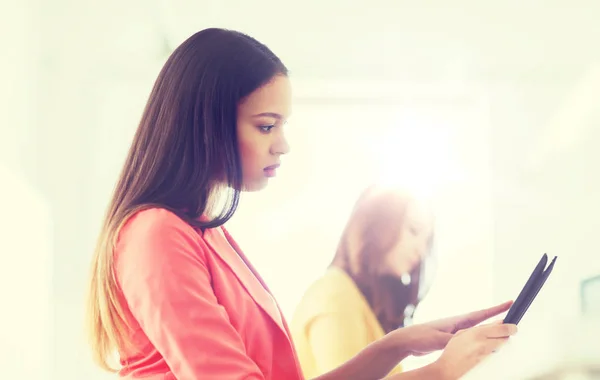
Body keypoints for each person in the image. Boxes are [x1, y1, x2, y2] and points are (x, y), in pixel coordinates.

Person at [84, 28, 517, 380]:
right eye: (266, 126)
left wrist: (399, 345)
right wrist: (438, 374)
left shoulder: (205, 232)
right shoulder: (157, 234)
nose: (283, 145)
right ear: (207, 124)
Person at [290, 186, 437, 378]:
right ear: (379, 223)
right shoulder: (336, 294)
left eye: (426, 241)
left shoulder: (357, 301)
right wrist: (446, 369)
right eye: (413, 230)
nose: (421, 250)